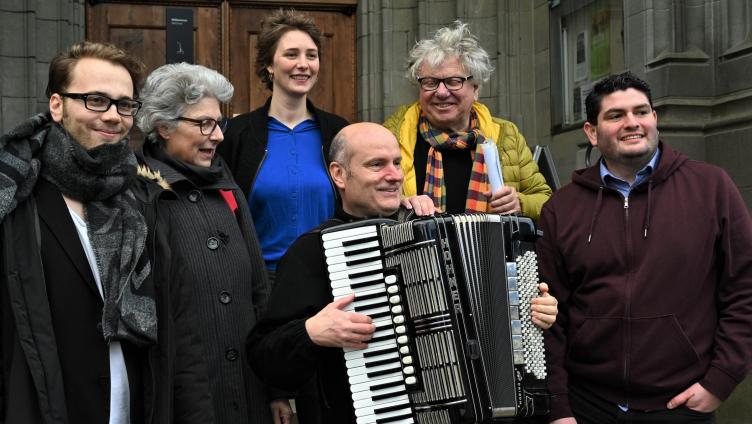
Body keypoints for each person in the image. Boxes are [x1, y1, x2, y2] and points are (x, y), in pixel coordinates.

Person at [247, 122, 559, 423]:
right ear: (339, 175)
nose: (394, 175)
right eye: (376, 165)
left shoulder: (437, 229)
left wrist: (532, 311)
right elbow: (265, 357)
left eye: (397, 163)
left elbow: (492, 316)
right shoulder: (313, 252)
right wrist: (310, 332)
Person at [0, 42, 212, 423]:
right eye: (96, 100)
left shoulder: (146, 203)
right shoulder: (15, 200)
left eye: (125, 104)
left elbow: (182, 339)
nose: (114, 116)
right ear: (57, 104)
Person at [538, 71, 752, 424]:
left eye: (641, 111)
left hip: (680, 404)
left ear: (655, 118)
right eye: (615, 115)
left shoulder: (711, 188)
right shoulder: (562, 209)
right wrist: (558, 408)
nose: (632, 123)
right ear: (591, 132)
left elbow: (743, 288)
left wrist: (721, 380)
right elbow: (548, 318)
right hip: (588, 406)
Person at [217, 9, 349, 422]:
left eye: (311, 54)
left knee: (323, 401)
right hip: (260, 286)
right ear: (268, 65)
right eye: (291, 54)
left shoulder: (336, 131)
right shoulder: (237, 135)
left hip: (326, 282)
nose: (303, 64)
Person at [136, 63, 272, 424]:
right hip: (184, 397)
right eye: (204, 124)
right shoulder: (140, 193)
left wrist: (275, 391)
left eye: (219, 123)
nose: (218, 136)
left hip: (249, 390)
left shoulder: (227, 187)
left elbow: (259, 291)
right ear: (163, 126)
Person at [384, 21, 552, 219]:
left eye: (454, 82)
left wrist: (520, 203)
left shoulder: (507, 135)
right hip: (417, 249)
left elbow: (547, 201)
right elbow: (362, 198)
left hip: (490, 248)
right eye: (430, 82)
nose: (441, 92)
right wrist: (400, 203)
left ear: (476, 88)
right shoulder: (391, 135)